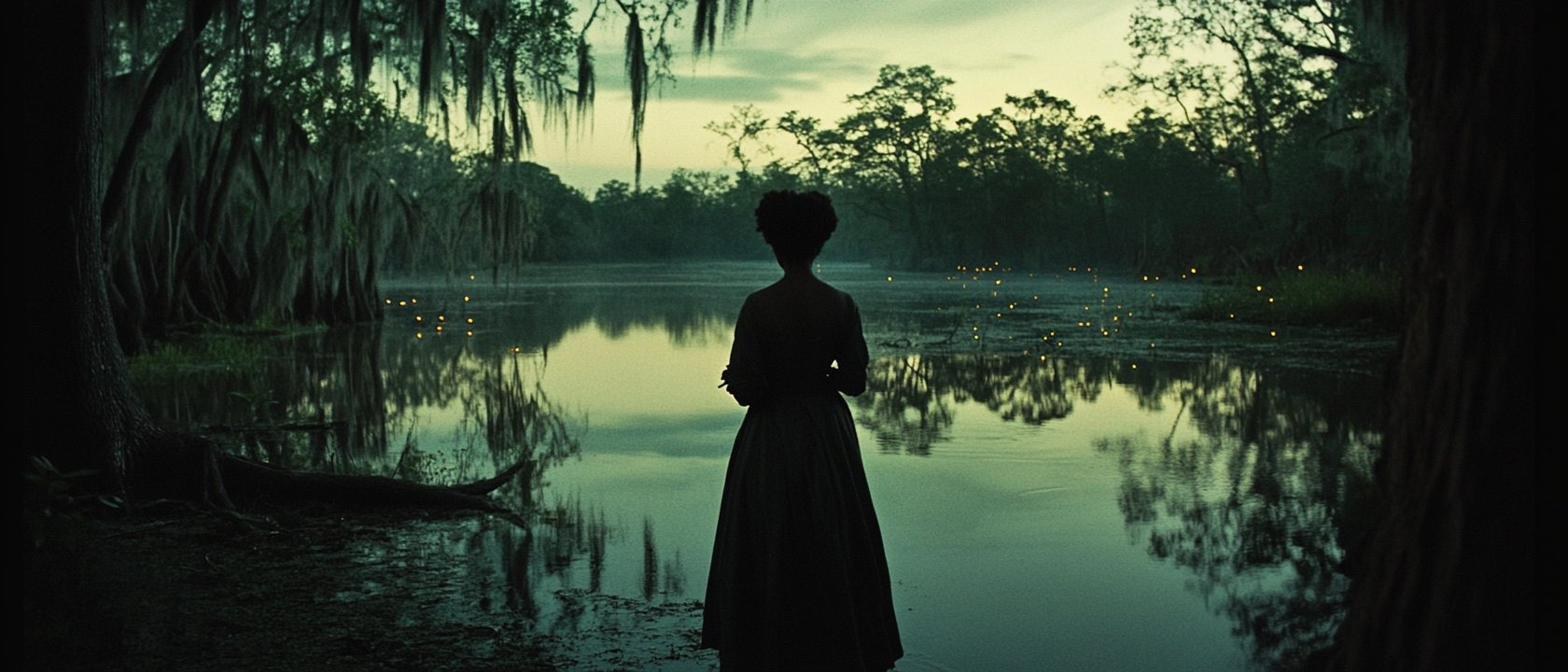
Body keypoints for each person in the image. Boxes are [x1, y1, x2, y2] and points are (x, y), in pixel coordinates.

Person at [701, 191, 904, 671]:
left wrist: (761, 381)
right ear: (820, 244)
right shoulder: (841, 303)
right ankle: (835, 643)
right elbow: (855, 381)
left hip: (770, 434)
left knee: (770, 532)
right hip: (826, 432)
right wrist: (823, 378)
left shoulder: (758, 306)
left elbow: (746, 389)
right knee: (830, 529)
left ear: (774, 245)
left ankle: (768, 644)